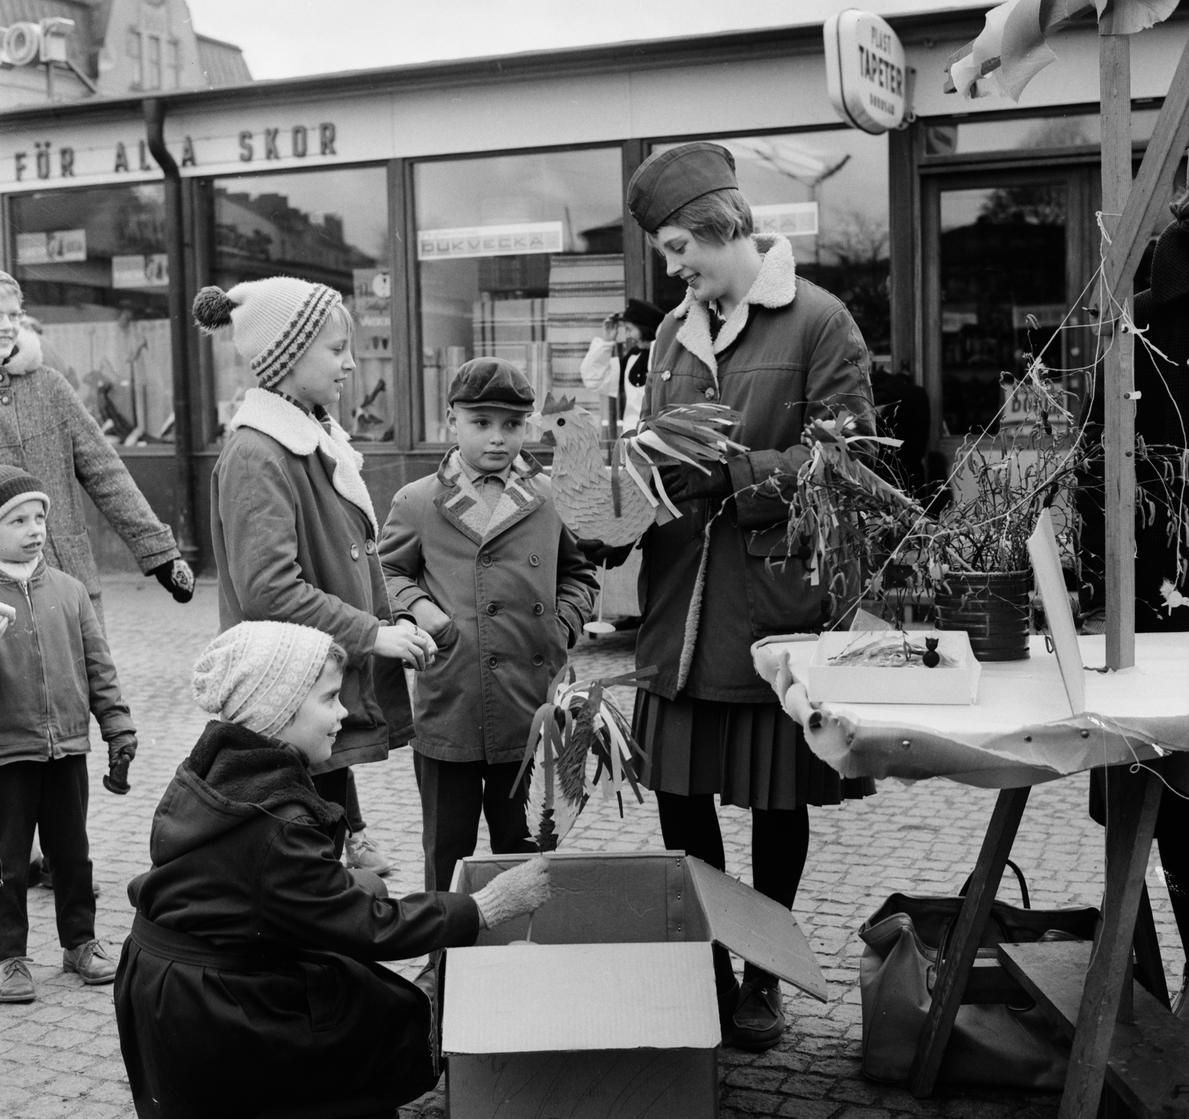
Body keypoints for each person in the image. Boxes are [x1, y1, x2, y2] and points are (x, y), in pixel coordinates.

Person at [622, 142, 877, 1050]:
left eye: (679, 243)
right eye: (663, 250)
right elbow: (652, 449)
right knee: (681, 805)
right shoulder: (667, 334)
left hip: (770, 609)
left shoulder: (819, 322)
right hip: (678, 612)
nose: (673, 264)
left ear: (727, 226)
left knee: (778, 805)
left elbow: (846, 467)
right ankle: (710, 964)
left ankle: (762, 975)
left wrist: (733, 476)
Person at [113, 620, 550, 1119]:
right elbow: (370, 927)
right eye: (329, 698)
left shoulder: (216, 768)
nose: (343, 713)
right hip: (218, 1013)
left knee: (364, 899)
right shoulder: (275, 826)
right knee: (394, 1019)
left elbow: (292, 891)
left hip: (160, 985)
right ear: (278, 708)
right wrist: (483, 908)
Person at [193, 276, 434, 851]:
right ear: (286, 355)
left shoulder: (313, 437)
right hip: (287, 687)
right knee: (301, 842)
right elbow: (270, 592)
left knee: (322, 803)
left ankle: (349, 837)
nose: (350, 364)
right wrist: (373, 634)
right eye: (335, 349)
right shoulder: (259, 454)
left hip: (311, 681)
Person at [379, 357, 598, 891]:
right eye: (481, 423)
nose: (497, 439)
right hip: (450, 702)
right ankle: (443, 963)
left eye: (512, 425)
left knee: (522, 851)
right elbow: (383, 572)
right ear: (451, 420)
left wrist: (562, 625)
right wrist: (421, 612)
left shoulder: (553, 496)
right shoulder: (418, 501)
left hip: (530, 706)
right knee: (446, 850)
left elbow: (582, 575)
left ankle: (518, 962)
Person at [1078, 194, 1189, 1012]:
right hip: (1160, 613)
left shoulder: (1137, 322)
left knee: (1173, 814)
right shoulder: (1138, 325)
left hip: (1156, 622)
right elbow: (1094, 484)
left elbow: (1093, 497)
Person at [0, 465, 136, 1004]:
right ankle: (9, 956)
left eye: (39, 517)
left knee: (73, 855)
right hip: (7, 754)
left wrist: (117, 727)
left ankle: (79, 942)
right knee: (7, 861)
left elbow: (99, 667)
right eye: (16, 520)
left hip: (67, 750)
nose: (33, 528)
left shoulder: (70, 590)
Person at [0, 271, 193, 631]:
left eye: (13, 315)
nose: (8, 326)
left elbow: (106, 471)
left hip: (69, 580)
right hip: (3, 597)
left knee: (93, 684)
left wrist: (161, 553)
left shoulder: (50, 386)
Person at [580, 297, 664, 433]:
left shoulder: (666, 357)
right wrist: (607, 341)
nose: (628, 335)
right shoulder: (633, 357)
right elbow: (594, 380)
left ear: (645, 328)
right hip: (631, 440)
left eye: (629, 329)